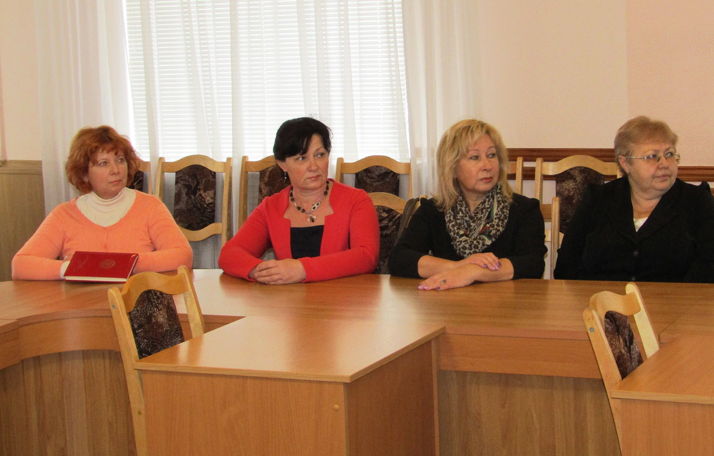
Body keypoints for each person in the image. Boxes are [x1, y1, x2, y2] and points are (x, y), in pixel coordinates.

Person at [554, 116, 714, 283]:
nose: (664, 164)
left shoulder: (698, 202)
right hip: (600, 301)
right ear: (625, 163)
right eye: (652, 156)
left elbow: (712, 269)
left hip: (675, 302)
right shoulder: (598, 199)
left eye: (669, 154)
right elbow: (567, 264)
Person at [12, 126, 193, 280]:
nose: (115, 170)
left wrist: (124, 264)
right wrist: (71, 268)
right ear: (84, 173)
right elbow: (21, 265)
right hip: (80, 306)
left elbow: (182, 255)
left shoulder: (150, 206)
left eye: (120, 160)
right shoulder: (63, 215)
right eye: (103, 163)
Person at [389, 119, 546, 290]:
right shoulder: (433, 210)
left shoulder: (525, 210)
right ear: (452, 167)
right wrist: (457, 267)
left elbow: (533, 264)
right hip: (448, 303)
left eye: (491, 155)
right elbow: (399, 259)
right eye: (474, 157)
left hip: (506, 303)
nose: (487, 165)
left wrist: (474, 272)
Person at [219, 117, 379, 283]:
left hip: (344, 297)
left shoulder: (356, 201)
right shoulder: (271, 208)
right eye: (302, 158)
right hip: (290, 299)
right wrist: (260, 271)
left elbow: (367, 257)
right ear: (282, 164)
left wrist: (302, 269)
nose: (314, 166)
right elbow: (229, 254)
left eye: (320, 155)